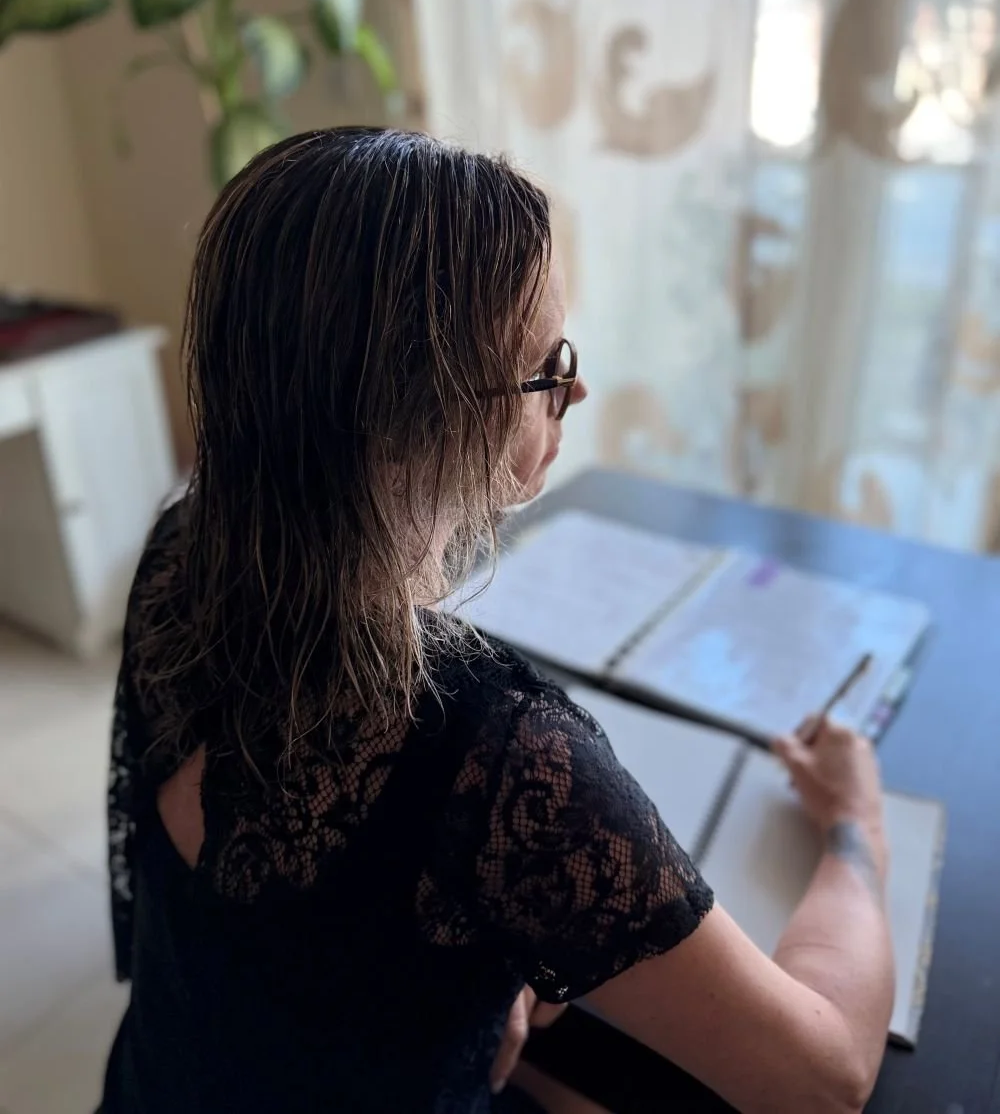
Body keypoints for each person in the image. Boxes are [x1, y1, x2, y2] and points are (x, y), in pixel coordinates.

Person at [101, 127, 893, 1114]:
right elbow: (819, 1079)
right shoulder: (498, 751)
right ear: (421, 421)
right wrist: (856, 830)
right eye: (548, 364)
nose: (578, 388)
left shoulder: (183, 548)